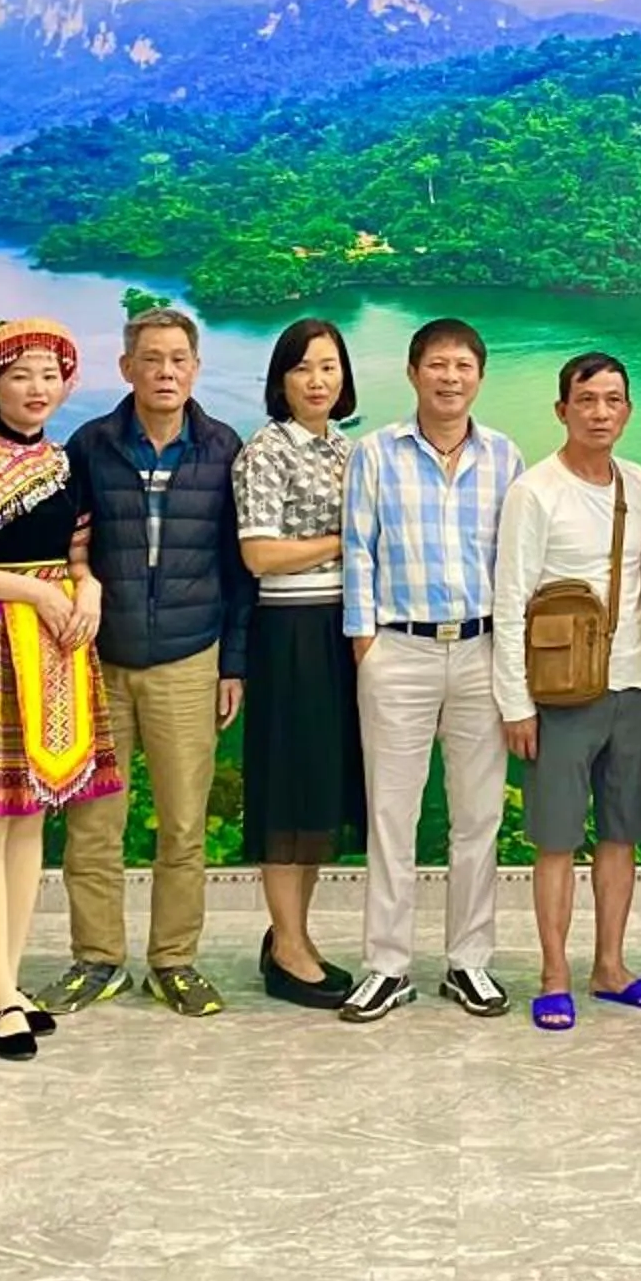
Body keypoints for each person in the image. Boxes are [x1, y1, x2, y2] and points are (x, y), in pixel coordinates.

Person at [48, 308, 254, 1018]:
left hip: (189, 659)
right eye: (151, 359)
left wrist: (233, 663)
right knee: (93, 825)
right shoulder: (91, 445)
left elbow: (238, 569)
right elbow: (67, 551)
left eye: (178, 360)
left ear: (195, 368)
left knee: (183, 825)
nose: (165, 372)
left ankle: (174, 960)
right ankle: (97, 958)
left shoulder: (223, 448)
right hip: (99, 662)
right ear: (127, 368)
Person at [0, 318, 119, 1061]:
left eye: (49, 376)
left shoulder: (67, 464)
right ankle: (1, 993)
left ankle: (3, 980)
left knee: (32, 816)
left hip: (54, 646)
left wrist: (87, 589)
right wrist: (33, 592)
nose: (37, 389)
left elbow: (78, 557)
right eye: (20, 375)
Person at [339, 317, 525, 1024]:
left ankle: (468, 961)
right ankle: (386, 966)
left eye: (463, 366)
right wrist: (366, 644)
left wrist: (510, 654)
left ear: (480, 376)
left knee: (478, 815)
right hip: (399, 650)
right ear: (413, 373)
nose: (450, 378)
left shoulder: (504, 456)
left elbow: (514, 562)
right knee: (393, 815)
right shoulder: (376, 453)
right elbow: (358, 550)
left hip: (481, 650)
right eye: (437, 365)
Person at [494, 352, 641, 1031]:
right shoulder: (535, 492)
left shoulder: (639, 484)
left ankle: (610, 967)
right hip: (561, 695)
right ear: (562, 410)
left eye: (613, 400)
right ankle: (553, 975)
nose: (601, 413)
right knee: (556, 840)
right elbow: (510, 600)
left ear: (628, 410)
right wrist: (516, 703)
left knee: (622, 835)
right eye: (587, 400)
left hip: (635, 686)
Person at [232, 317, 368, 1009]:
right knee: (288, 792)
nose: (317, 381)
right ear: (280, 380)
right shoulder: (267, 450)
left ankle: (294, 936)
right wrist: (344, 541)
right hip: (289, 631)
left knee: (318, 791)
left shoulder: (345, 448)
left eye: (328, 366)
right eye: (302, 368)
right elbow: (259, 554)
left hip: (339, 627)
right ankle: (287, 948)